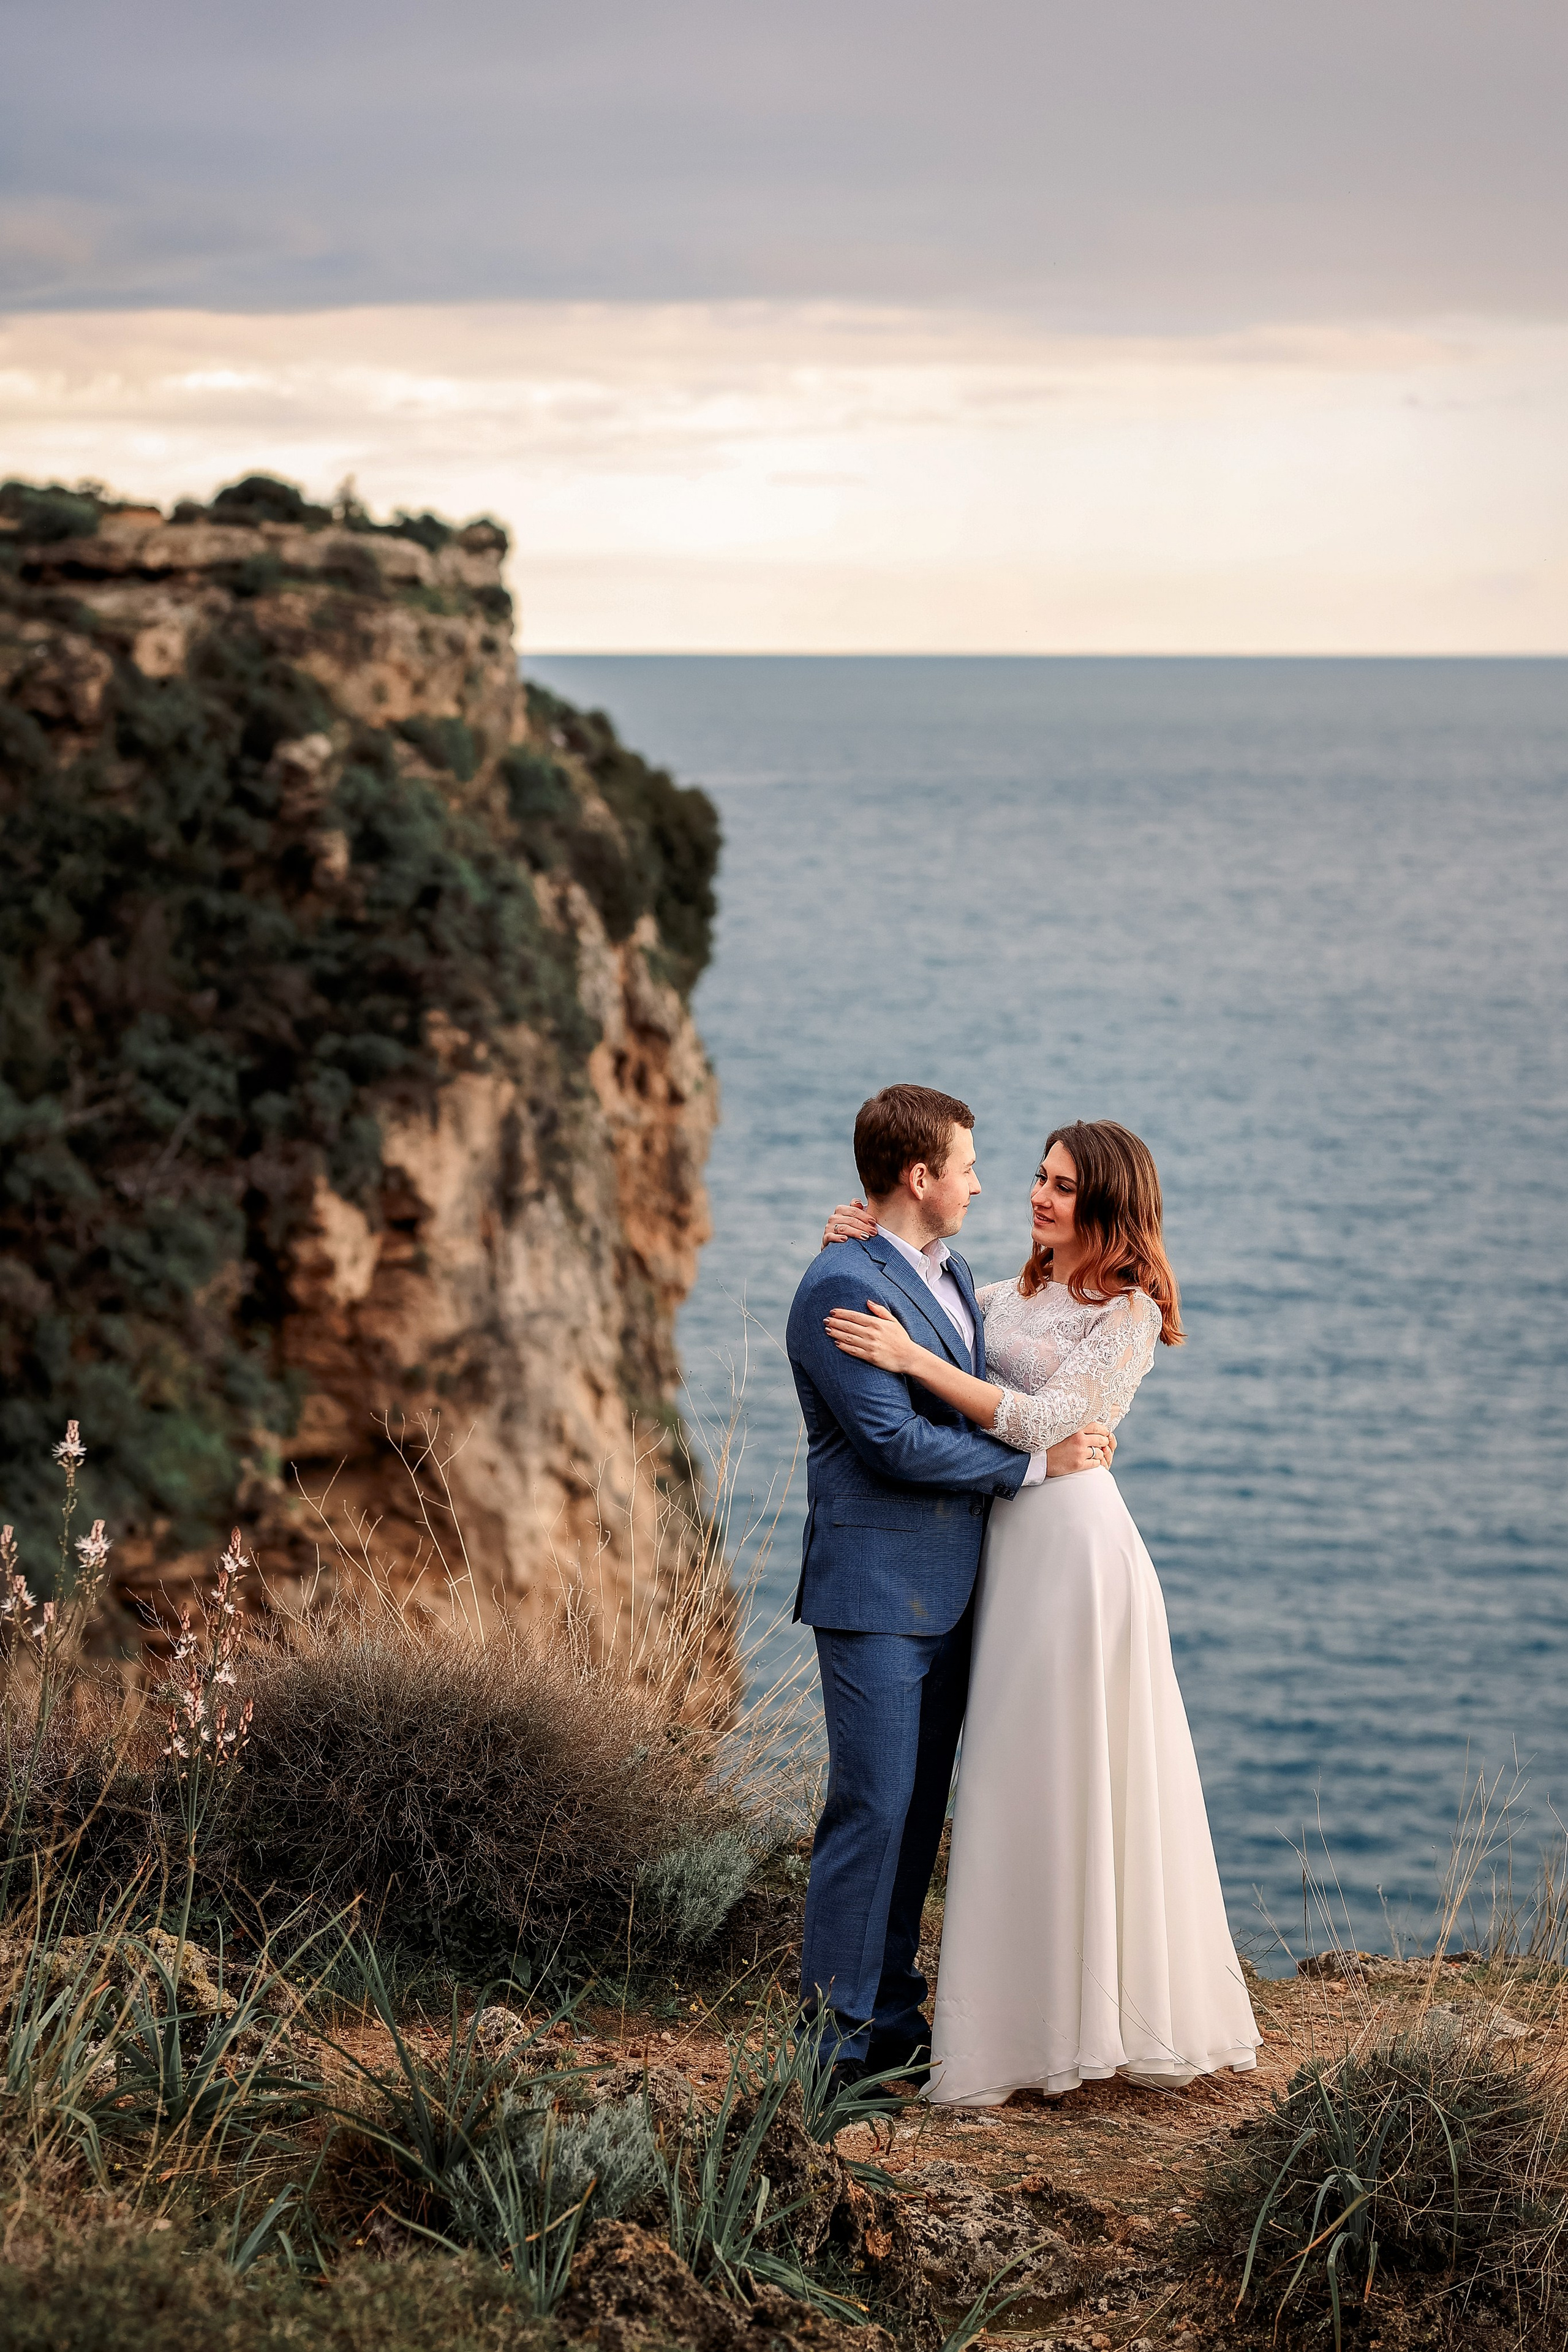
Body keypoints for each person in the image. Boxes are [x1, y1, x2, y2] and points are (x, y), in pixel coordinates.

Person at [820, 1117, 1259, 2103]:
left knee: (1078, 1774)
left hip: (1072, 1551)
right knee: (1012, 1783)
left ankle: (1095, 2021)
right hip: (1001, 1549)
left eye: (1063, 1187)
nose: (1037, 1196)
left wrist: (914, 1362)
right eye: (1036, 1177)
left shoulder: (1130, 1315)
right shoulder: (1006, 1291)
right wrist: (859, 1237)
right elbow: (923, 1303)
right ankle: (1010, 2021)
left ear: (1107, 1205)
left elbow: (1041, 1423)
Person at [785, 1085, 1114, 2097]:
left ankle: (891, 2014)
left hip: (957, 1593)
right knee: (870, 1808)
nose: (986, 1185)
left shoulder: (954, 1270)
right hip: (877, 1593)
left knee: (921, 1812)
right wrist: (1033, 1468)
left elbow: (974, 1392)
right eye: (969, 1167)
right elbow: (891, 1442)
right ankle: (830, 2047)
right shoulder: (840, 1283)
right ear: (920, 1178)